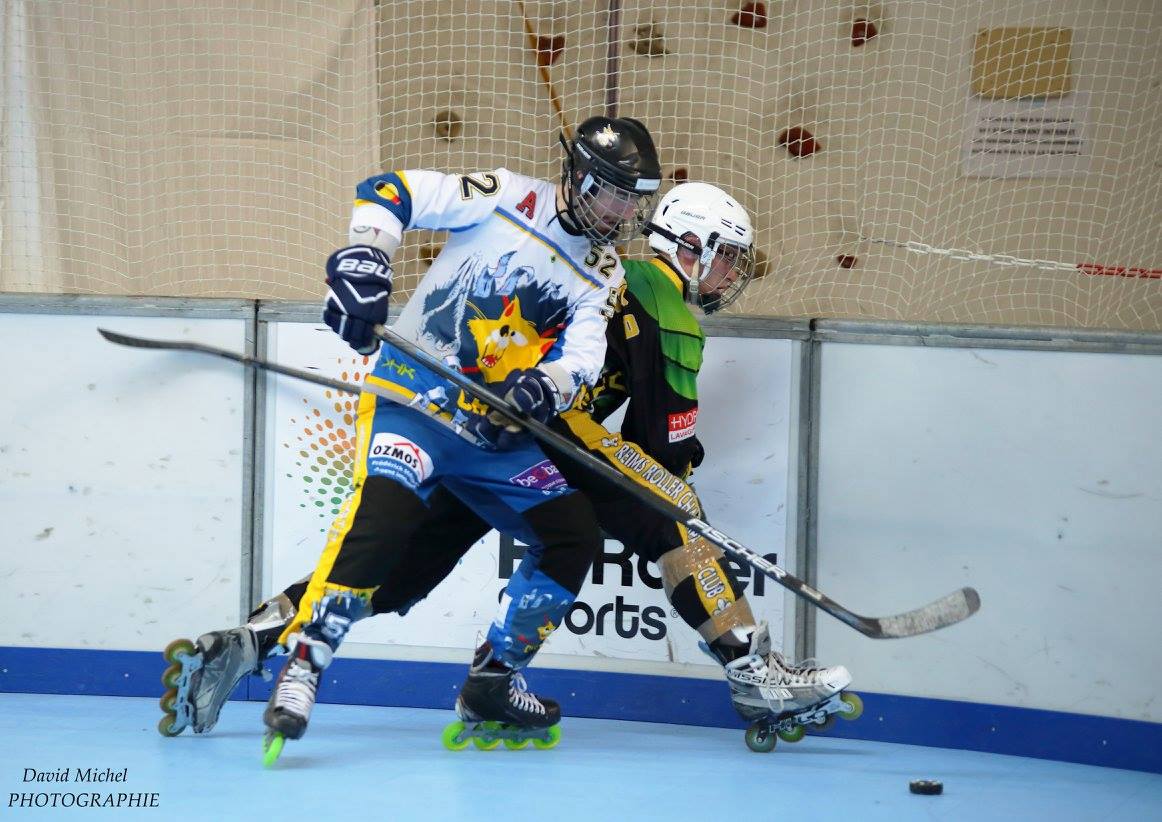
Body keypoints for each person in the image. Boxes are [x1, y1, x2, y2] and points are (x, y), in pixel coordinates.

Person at [159, 181, 857, 753]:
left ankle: (252, 640)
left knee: (402, 570)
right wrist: (674, 491)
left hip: (481, 428)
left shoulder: (613, 273)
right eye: (729, 257)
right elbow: (663, 448)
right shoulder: (667, 307)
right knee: (673, 509)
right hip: (540, 435)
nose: (733, 275)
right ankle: (751, 671)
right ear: (692, 247)